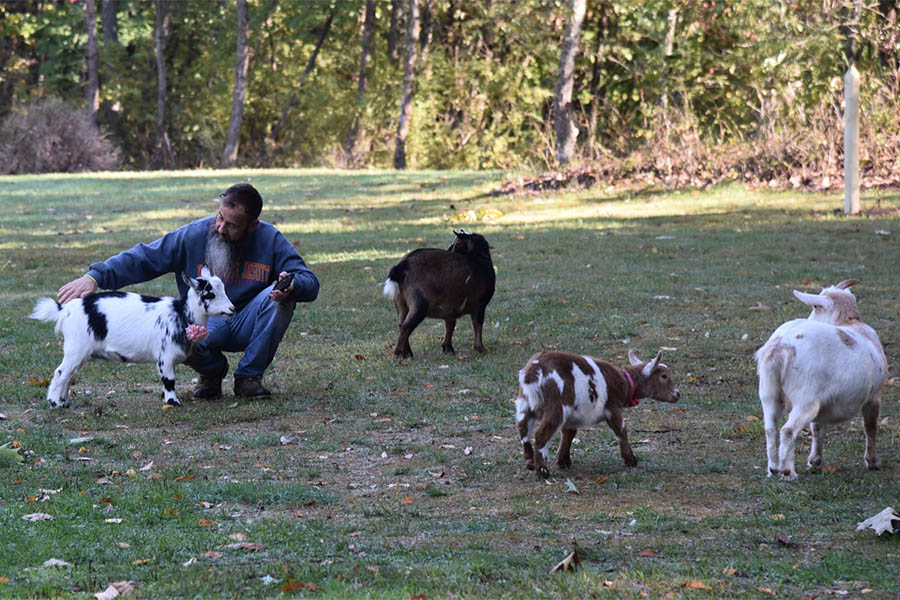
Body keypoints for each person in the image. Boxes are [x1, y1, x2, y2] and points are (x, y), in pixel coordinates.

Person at [57, 183, 319, 399]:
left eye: (232, 225)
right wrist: (96, 276)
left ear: (252, 225)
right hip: (202, 325)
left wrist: (292, 284)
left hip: (245, 319)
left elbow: (309, 281)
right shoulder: (193, 235)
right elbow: (144, 258)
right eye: (220, 218)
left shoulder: (271, 239)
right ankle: (211, 373)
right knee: (177, 325)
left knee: (279, 300)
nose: (221, 228)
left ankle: (248, 378)